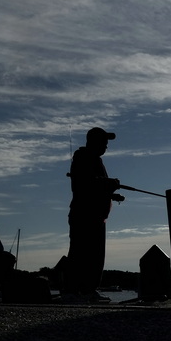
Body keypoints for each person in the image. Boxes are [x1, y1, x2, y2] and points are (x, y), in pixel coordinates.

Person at [62, 127, 122, 303]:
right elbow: (85, 185)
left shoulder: (96, 160)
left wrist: (111, 194)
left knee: (95, 256)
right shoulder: (82, 158)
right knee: (79, 253)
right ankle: (71, 291)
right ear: (93, 142)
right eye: (103, 143)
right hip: (83, 216)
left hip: (97, 217)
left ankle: (88, 290)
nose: (106, 147)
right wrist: (109, 184)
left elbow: (94, 187)